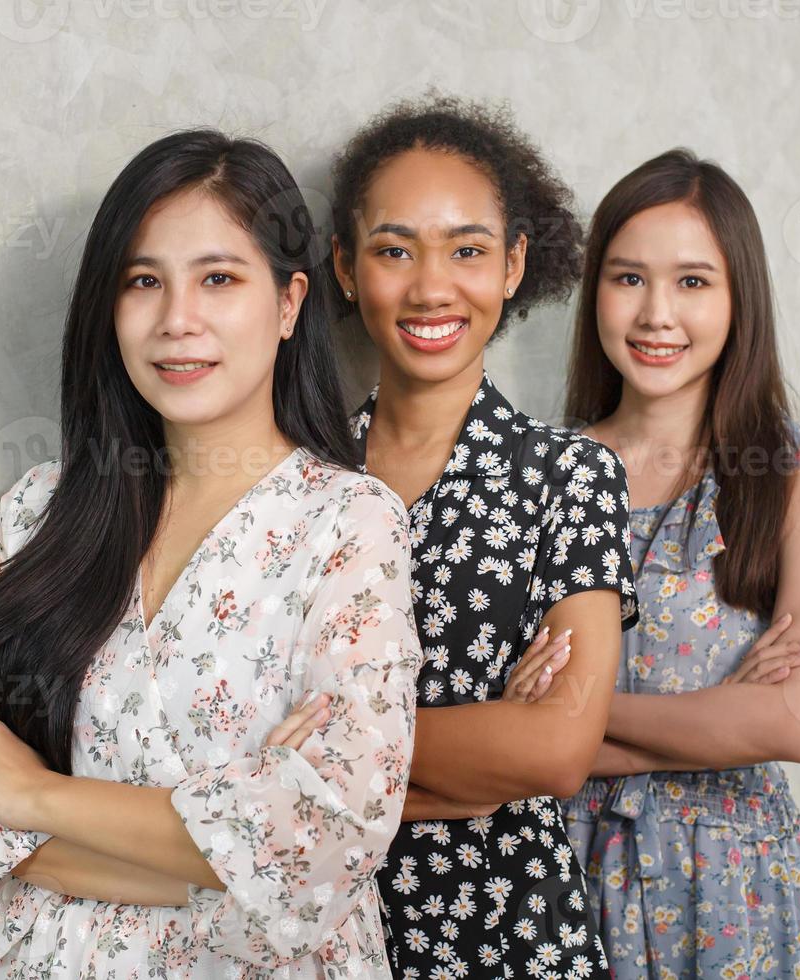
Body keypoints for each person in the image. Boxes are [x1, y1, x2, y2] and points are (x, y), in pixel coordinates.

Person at [0, 129, 421, 978]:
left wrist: (34, 796)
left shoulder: (348, 523)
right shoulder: (41, 509)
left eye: (219, 278)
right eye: (144, 281)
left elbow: (322, 834)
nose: (178, 320)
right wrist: (222, 858)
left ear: (290, 304)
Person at [328, 94, 641, 979]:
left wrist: (320, 759)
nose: (433, 287)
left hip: (510, 933)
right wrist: (479, 742)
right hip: (321, 930)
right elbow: (232, 746)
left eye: (467, 250)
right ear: (347, 270)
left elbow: (558, 751)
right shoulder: (301, 483)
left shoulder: (569, 476)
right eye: (394, 251)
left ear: (511, 267)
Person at [560, 148, 800, 978]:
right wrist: (720, 715)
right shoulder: (540, 471)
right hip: (557, 871)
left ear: (738, 298)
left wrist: (575, 718)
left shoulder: (795, 472)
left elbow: (798, 720)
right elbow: (499, 727)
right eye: (628, 279)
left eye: (693, 281)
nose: (657, 313)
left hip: (731, 885)